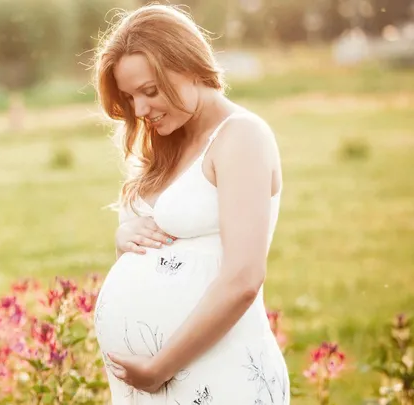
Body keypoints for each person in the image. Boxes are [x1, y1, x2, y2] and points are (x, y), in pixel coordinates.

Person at [91, 4, 289, 404]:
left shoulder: (241, 137)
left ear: (191, 65)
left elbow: (243, 280)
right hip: (149, 386)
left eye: (149, 91)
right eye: (131, 98)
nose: (140, 110)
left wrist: (158, 368)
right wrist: (125, 238)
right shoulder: (166, 145)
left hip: (216, 375)